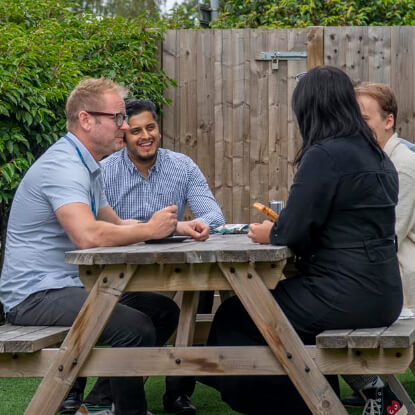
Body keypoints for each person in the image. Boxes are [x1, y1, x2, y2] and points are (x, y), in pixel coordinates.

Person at [198, 66, 404, 415]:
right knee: (282, 319)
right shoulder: (376, 155)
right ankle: (323, 398)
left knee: (238, 316)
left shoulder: (325, 155)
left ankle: (300, 405)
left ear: (310, 109)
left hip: (344, 294)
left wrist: (268, 234)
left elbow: (291, 232)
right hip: (384, 294)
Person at [0, 78, 186, 415]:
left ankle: (101, 402)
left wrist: (178, 227)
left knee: (162, 311)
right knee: (136, 328)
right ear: (86, 120)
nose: (125, 125)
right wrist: (148, 228)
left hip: (69, 286)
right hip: (34, 297)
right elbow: (88, 236)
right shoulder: (63, 166)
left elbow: (114, 225)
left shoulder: (86, 165)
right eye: (117, 117)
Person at [81, 98, 225, 415]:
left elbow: (214, 217)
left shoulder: (182, 165)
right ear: (123, 136)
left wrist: (199, 226)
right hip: (120, 276)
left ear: (158, 128)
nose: (146, 136)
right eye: (136, 131)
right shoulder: (103, 172)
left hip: (174, 268)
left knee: (199, 284)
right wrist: (156, 229)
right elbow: (93, 227)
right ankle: (104, 392)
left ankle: (177, 393)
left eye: (151, 127)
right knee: (153, 314)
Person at [339, 82, 415, 415]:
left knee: (326, 307)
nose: (357, 126)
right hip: (384, 266)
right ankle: (375, 389)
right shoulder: (374, 159)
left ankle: (379, 393)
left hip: (402, 272)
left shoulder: (402, 166)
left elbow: (389, 235)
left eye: (364, 118)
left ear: (388, 121)